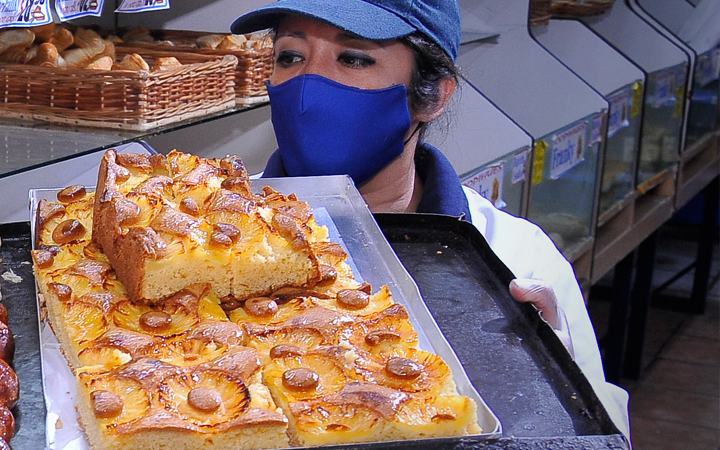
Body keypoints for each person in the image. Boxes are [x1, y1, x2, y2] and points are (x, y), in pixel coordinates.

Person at [230, 0, 631, 438]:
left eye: (354, 58)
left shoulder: (511, 254)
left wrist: (545, 386)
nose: (309, 85)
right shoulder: (208, 235)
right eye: (290, 56)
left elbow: (606, 438)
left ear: (434, 95)